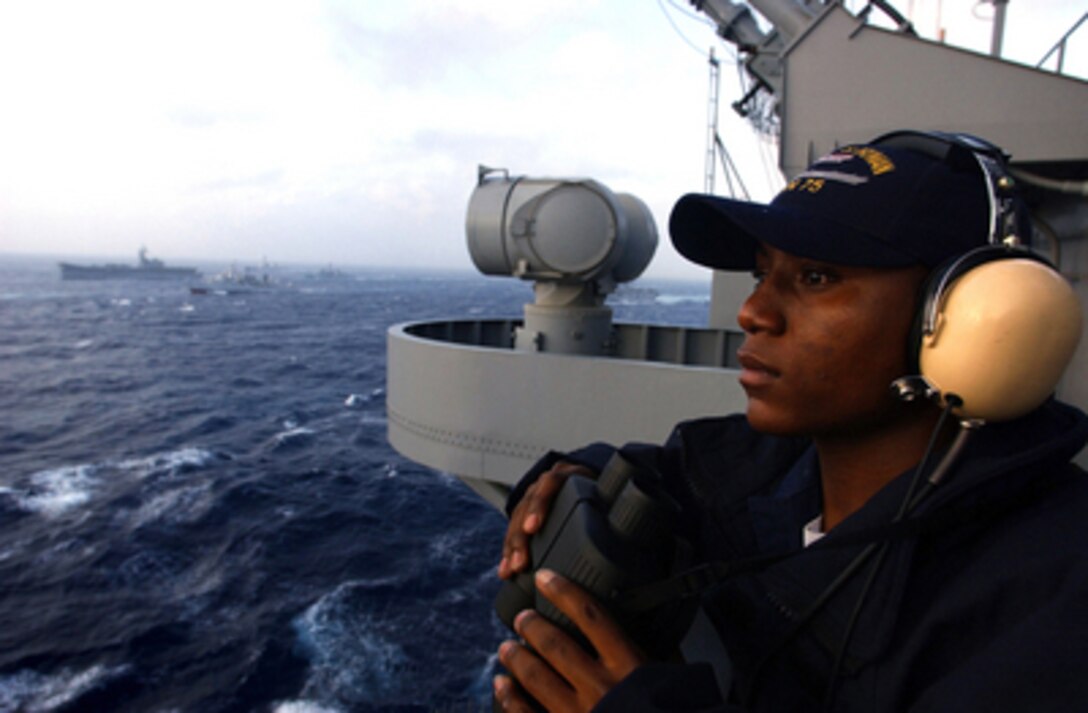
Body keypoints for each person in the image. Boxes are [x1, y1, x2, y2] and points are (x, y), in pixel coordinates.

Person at [490, 130, 1088, 712]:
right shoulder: (764, 469)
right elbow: (661, 472)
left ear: (961, 317)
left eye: (816, 278)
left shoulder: (1053, 596)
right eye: (761, 273)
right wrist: (569, 477)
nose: (753, 312)